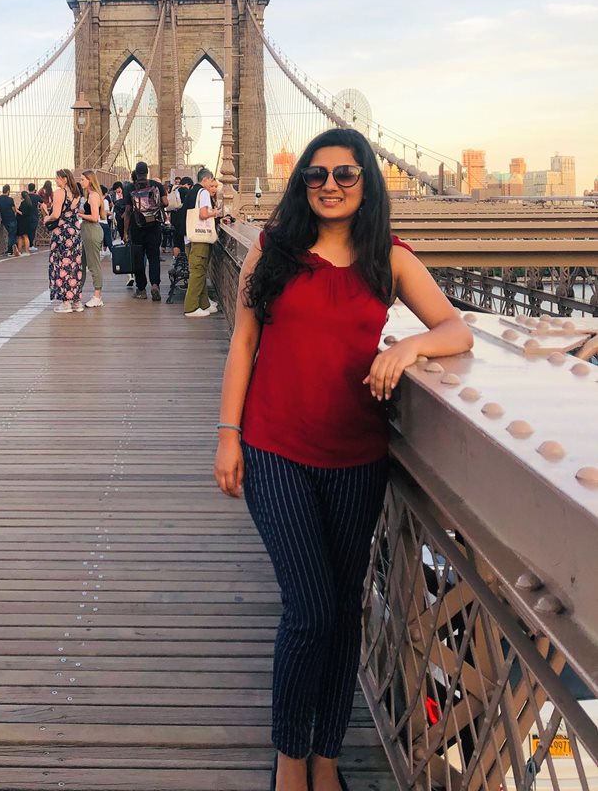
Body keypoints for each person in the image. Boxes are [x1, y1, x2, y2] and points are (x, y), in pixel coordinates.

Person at [213, 128, 473, 791]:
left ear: (366, 183)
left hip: (356, 458)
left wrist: (408, 348)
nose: (329, 185)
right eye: (317, 174)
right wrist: (228, 434)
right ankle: (290, 758)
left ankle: (325, 755)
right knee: (309, 609)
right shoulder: (272, 248)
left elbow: (455, 329)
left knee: (343, 607)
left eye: (345, 174)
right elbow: (243, 344)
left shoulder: (390, 258)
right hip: (274, 449)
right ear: (303, 182)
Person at [123, 160, 168, 301]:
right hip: (154, 227)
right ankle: (155, 285)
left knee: (138, 259)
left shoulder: (129, 187)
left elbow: (128, 211)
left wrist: (125, 232)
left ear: (136, 173)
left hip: (137, 228)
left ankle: (141, 290)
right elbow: (166, 202)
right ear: (147, 172)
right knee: (154, 258)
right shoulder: (157, 185)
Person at [183, 168, 222, 318]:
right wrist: (216, 213)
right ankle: (191, 307)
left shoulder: (192, 191)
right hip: (200, 239)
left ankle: (204, 303)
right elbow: (204, 214)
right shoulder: (203, 193)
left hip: (190, 237)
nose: (212, 184)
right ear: (205, 180)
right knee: (198, 272)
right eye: (211, 180)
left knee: (199, 272)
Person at [45, 169, 84, 313]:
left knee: (61, 264)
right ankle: (77, 302)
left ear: (64, 179)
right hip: (75, 232)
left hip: (62, 233)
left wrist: (46, 218)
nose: (56, 180)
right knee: (74, 265)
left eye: (57, 178)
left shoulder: (60, 192)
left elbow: (56, 215)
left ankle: (66, 303)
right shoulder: (76, 194)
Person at [78, 169, 105, 308]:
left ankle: (97, 296)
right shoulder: (88, 196)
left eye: (83, 179)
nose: (81, 181)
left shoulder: (93, 196)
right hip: (86, 230)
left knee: (93, 264)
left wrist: (79, 215)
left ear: (90, 180)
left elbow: (94, 217)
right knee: (81, 262)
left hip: (91, 230)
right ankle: (77, 292)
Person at [0, 184, 19, 256]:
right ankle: (10, 250)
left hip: (4, 219)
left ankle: (12, 249)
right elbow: (14, 209)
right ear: (8, 191)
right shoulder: (10, 199)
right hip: (12, 219)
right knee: (12, 235)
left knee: (10, 234)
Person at [25, 182, 40, 252]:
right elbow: (42, 202)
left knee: (27, 231)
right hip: (34, 216)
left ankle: (27, 245)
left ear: (28, 188)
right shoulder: (37, 197)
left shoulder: (26, 196)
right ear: (34, 189)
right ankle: (31, 245)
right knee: (32, 231)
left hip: (26, 216)